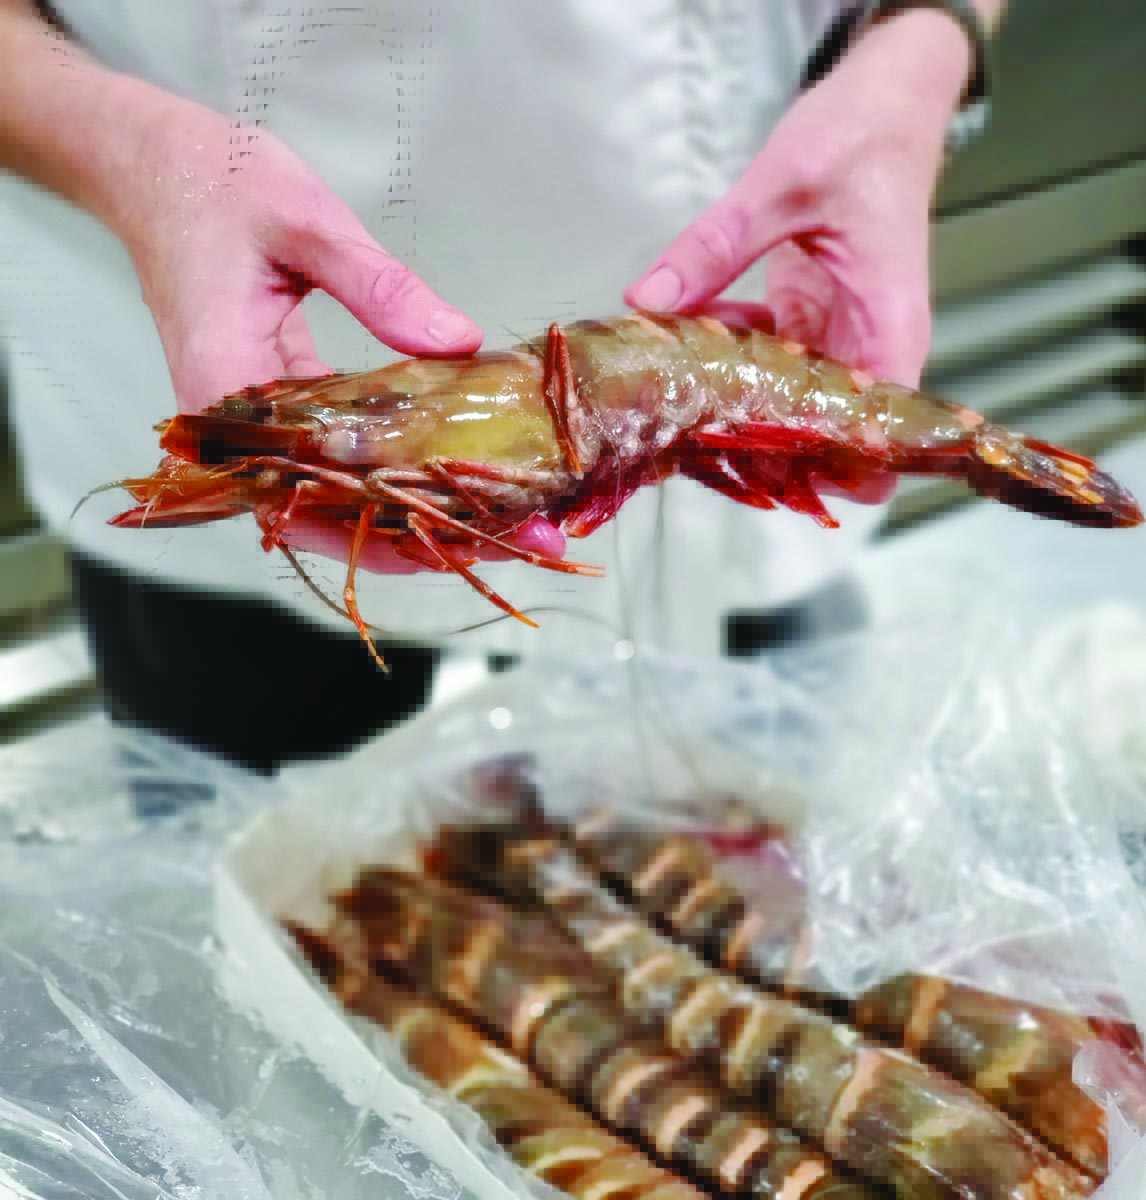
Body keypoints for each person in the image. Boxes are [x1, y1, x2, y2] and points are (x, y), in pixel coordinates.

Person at [0, 0, 1002, 771]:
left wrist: (922, 50)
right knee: (268, 869)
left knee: (741, 860)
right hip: (172, 325)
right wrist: (130, 154)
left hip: (763, 364)